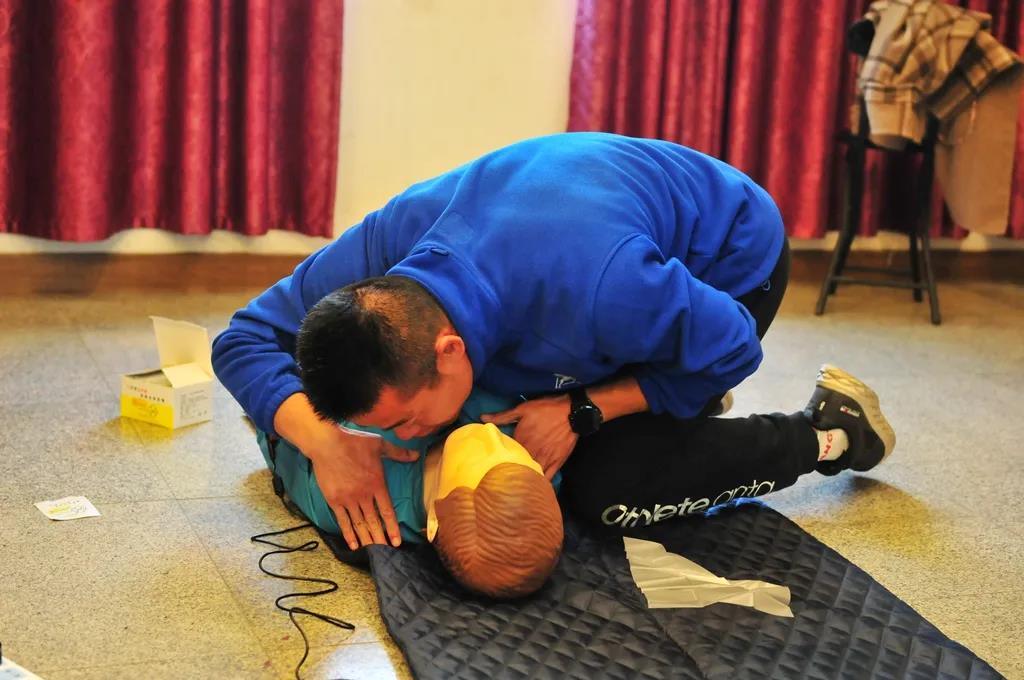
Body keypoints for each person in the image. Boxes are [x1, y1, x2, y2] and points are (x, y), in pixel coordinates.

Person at [213, 132, 895, 553]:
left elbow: (735, 347)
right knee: (500, 426)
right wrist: (326, 441)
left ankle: (825, 433)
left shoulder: (604, 289)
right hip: (591, 262)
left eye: (405, 419)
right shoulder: (389, 247)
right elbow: (243, 339)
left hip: (731, 266)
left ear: (448, 351)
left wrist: (587, 409)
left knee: (605, 486)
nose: (403, 435)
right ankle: (672, 397)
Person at [258, 389, 563, 598]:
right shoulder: (542, 464)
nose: (493, 436)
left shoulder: (347, 498)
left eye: (480, 457)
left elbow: (270, 428)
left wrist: (316, 435)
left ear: (434, 521)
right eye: (520, 458)